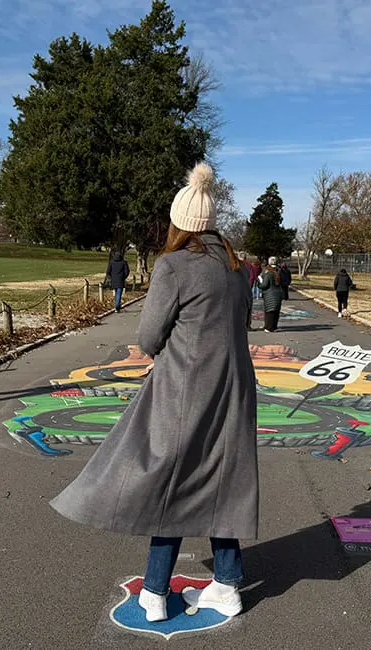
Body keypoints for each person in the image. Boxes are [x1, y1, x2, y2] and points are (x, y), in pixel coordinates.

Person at [50, 162, 258, 622]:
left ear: (179, 222)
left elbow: (148, 338)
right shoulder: (236, 269)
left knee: (171, 480)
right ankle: (226, 584)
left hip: (185, 387)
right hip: (235, 387)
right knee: (221, 480)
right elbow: (241, 325)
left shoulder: (174, 266)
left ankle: (156, 591)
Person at [259, 256, 284, 332]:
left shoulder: (268, 273)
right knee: (276, 311)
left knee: (269, 311)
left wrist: (259, 282)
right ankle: (274, 326)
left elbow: (264, 285)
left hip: (269, 294)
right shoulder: (280, 271)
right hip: (278, 293)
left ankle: (268, 327)